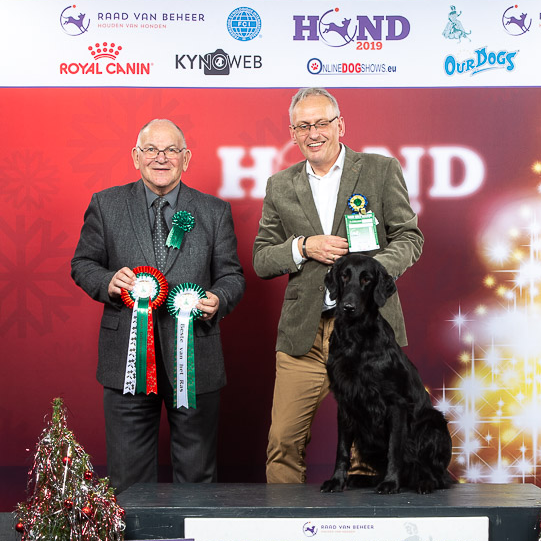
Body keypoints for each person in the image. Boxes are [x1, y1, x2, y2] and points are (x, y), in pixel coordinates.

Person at [253, 88, 423, 483]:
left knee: (368, 448)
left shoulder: (381, 170)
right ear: (293, 134)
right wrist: (302, 247)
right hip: (305, 334)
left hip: (369, 333)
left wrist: (371, 274)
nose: (313, 133)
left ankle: (364, 521)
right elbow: (262, 258)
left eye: (322, 123)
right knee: (283, 442)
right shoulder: (280, 185)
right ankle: (282, 520)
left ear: (340, 125)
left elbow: (409, 237)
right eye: (303, 126)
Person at [71, 119, 245, 495]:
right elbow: (82, 264)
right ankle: (134, 537)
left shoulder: (214, 210)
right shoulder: (106, 204)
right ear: (136, 157)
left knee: (197, 477)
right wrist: (107, 281)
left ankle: (194, 536)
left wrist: (219, 298)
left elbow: (232, 276)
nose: (160, 158)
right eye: (151, 149)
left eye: (171, 150)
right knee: (128, 480)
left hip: (196, 358)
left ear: (186, 158)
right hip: (127, 360)